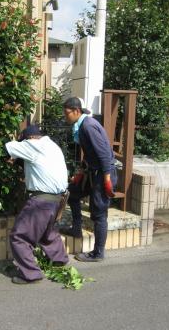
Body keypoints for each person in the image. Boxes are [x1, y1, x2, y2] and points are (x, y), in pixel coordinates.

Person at [5, 125, 69, 284]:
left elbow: (8, 146)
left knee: (19, 236)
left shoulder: (33, 145)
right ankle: (59, 260)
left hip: (41, 201)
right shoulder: (52, 146)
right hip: (58, 199)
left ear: (29, 139)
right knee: (48, 233)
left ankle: (30, 274)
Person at [62, 97, 117, 262]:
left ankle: (98, 253)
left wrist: (107, 178)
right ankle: (76, 229)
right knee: (73, 192)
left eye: (67, 113)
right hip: (93, 171)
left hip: (103, 173)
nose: (66, 117)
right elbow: (91, 153)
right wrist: (82, 170)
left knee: (99, 212)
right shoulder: (81, 125)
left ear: (76, 111)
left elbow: (104, 154)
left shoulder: (88, 126)